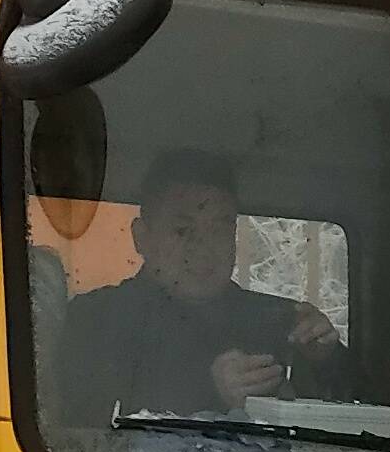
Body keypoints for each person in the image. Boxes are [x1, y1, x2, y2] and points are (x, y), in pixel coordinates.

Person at [58, 150, 350, 424]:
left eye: (219, 229)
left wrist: (327, 360)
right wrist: (209, 394)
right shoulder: (94, 319)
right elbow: (78, 428)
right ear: (141, 237)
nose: (204, 248)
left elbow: (364, 420)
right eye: (183, 230)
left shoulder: (279, 320)